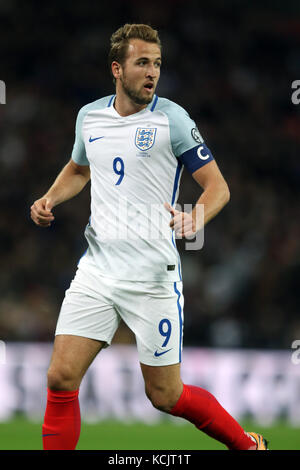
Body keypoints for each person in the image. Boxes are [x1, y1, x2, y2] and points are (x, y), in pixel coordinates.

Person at [30, 23, 268, 451]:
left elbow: (219, 187)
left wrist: (197, 216)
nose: (152, 72)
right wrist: (49, 197)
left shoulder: (171, 119)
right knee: (60, 377)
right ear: (117, 69)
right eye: (142, 63)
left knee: (165, 396)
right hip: (98, 271)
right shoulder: (90, 116)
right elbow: (80, 169)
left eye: (156, 63)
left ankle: (248, 446)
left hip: (152, 278)